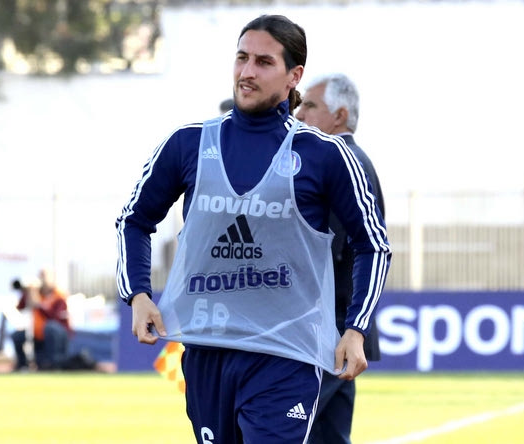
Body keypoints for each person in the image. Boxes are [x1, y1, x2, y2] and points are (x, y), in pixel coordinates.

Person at [116, 14, 391, 444]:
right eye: (241, 58)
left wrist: (355, 329)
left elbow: (372, 245)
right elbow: (134, 220)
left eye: (264, 62)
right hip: (207, 352)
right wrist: (138, 294)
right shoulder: (189, 143)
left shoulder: (324, 155)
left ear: (293, 76)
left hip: (286, 357)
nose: (247, 71)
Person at [296, 73, 385, 444]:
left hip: (327, 329)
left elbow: (328, 251)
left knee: (283, 428)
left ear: (340, 115)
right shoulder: (354, 159)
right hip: (339, 327)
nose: (299, 114)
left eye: (310, 105)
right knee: (328, 436)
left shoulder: (339, 161)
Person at [11, 268, 71, 371]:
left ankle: (54, 364)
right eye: (40, 276)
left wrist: (39, 304)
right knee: (17, 335)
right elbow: (20, 307)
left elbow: (54, 317)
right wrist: (28, 293)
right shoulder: (36, 293)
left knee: (50, 328)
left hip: (57, 335)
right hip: (38, 334)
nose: (42, 279)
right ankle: (22, 365)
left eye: (44, 276)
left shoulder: (59, 295)